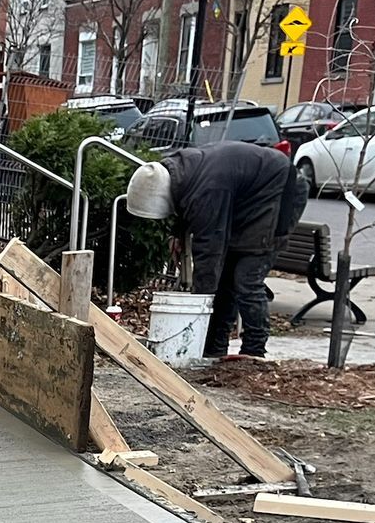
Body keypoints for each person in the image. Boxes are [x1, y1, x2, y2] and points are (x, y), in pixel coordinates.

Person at [126, 142, 307, 360]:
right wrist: (179, 233)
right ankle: (214, 347)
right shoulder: (178, 171)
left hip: (280, 188)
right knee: (227, 278)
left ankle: (254, 349)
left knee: (245, 278)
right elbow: (184, 200)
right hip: (247, 194)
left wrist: (200, 301)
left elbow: (209, 250)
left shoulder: (208, 190)